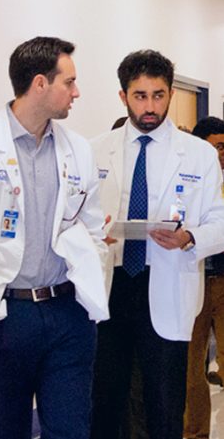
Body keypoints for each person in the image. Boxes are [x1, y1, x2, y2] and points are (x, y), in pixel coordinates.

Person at [0, 36, 109, 439]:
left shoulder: (78, 150)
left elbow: (92, 229)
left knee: (71, 429)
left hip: (68, 313)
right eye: (69, 82)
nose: (77, 92)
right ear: (40, 84)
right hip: (6, 316)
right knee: (7, 429)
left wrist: (88, 293)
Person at [90, 50, 224, 439]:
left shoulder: (199, 154)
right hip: (112, 286)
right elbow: (74, 217)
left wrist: (190, 237)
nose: (150, 107)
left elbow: (220, 220)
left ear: (169, 94)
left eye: (158, 95)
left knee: (165, 405)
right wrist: (93, 233)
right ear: (123, 96)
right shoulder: (95, 149)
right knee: (106, 405)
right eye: (140, 96)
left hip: (165, 282)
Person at [183, 116, 224, 439]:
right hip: (192, 281)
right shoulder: (189, 182)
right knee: (191, 368)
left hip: (223, 281)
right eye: (217, 147)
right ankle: (195, 433)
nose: (221, 155)